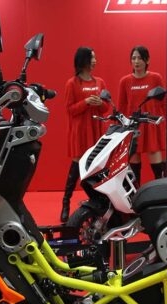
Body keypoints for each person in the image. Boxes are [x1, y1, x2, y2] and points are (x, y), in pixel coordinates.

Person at [61, 47, 109, 223]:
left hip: (96, 129)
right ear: (83, 60)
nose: (95, 61)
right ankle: (66, 202)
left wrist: (99, 103)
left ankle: (98, 201)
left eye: (95, 57)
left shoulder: (100, 82)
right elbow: (70, 110)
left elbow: (106, 108)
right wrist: (86, 102)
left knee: (97, 166)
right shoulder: (72, 83)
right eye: (92, 58)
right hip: (80, 130)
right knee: (77, 165)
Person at [118, 45, 166, 185]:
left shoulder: (156, 78)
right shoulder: (125, 81)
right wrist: (121, 128)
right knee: (134, 166)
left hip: (151, 126)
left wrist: (162, 123)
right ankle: (136, 195)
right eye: (133, 58)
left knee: (157, 167)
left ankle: (161, 192)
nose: (136, 61)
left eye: (139, 58)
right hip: (133, 127)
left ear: (147, 60)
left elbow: (163, 103)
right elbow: (121, 106)